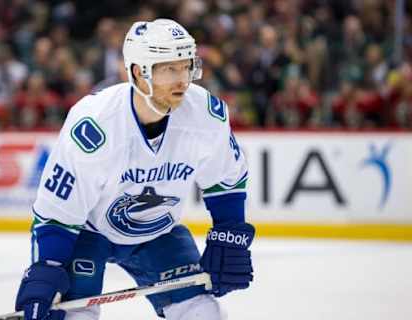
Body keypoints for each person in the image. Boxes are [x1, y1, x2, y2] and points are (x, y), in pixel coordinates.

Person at [14, 19, 255, 320]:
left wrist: (229, 231)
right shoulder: (94, 125)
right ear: (139, 72)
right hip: (90, 234)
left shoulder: (205, 114)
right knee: (75, 316)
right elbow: (57, 213)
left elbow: (226, 180)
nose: (183, 80)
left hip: (158, 232)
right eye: (169, 69)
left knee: (203, 313)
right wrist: (46, 268)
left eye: (186, 66)